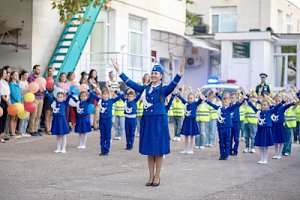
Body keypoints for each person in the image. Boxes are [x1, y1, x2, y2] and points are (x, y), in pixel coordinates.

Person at [112, 58, 185, 187]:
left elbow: (174, 84)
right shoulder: (145, 89)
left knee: (158, 150)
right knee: (150, 150)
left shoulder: (163, 89)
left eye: (156, 73)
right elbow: (131, 84)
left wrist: (180, 72)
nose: (153, 75)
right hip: (147, 120)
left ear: (161, 76)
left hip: (158, 121)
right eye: (152, 72)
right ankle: (150, 176)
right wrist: (119, 71)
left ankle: (157, 176)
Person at [199, 93, 245, 160]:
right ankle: (221, 154)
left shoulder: (229, 108)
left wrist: (241, 100)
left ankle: (226, 154)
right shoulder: (219, 109)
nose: (224, 103)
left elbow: (236, 105)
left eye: (226, 102)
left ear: (229, 102)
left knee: (227, 141)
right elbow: (212, 105)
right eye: (223, 102)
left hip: (228, 127)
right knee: (221, 141)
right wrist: (205, 100)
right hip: (221, 127)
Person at [247, 98, 283, 164]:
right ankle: (261, 159)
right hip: (260, 130)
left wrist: (282, 102)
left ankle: (265, 159)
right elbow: (253, 107)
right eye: (262, 105)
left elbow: (276, 108)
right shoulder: (259, 112)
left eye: (265, 105)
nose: (263, 106)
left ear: (268, 106)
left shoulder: (269, 111)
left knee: (265, 146)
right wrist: (248, 100)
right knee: (261, 146)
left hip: (266, 130)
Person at [89, 87, 122, 156]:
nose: (104, 96)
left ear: (108, 94)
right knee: (102, 135)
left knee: (108, 135)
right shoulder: (100, 100)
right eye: (103, 94)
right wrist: (91, 90)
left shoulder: (111, 100)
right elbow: (93, 95)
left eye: (106, 94)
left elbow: (120, 96)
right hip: (102, 120)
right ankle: (102, 150)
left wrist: (116, 91)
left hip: (108, 120)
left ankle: (106, 150)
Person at [44, 87, 72, 153]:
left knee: (63, 135)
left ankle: (63, 148)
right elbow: (49, 97)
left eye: (61, 97)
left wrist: (68, 92)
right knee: (58, 135)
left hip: (62, 120)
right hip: (56, 120)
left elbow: (69, 97)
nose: (60, 98)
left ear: (63, 97)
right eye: (58, 97)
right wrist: (46, 91)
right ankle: (58, 148)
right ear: (56, 97)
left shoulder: (64, 103)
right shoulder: (54, 102)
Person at [271, 95, 295, 159]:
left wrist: (292, 103)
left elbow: (288, 105)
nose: (277, 102)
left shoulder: (282, 107)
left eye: (279, 101)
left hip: (281, 126)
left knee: (281, 140)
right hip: (275, 126)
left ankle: (279, 154)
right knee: (275, 141)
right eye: (276, 101)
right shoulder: (273, 108)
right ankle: (276, 153)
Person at [27, 65, 44, 136]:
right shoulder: (31, 78)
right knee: (34, 114)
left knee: (38, 115)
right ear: (34, 70)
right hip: (34, 97)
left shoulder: (41, 78)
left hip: (41, 97)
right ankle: (31, 129)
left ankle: (36, 129)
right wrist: (38, 89)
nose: (39, 71)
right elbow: (31, 87)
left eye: (40, 69)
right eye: (37, 69)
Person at [9, 71, 23, 138]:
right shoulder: (11, 84)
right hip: (14, 102)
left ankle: (14, 131)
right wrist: (18, 100)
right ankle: (12, 132)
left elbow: (20, 93)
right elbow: (13, 93)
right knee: (13, 117)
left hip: (19, 103)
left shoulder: (17, 84)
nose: (16, 76)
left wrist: (21, 99)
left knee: (16, 118)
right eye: (15, 75)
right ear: (11, 76)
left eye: (17, 75)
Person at [18, 70, 31, 138]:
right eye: (25, 75)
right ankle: (20, 131)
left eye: (27, 75)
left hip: (28, 101)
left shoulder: (27, 82)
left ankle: (24, 131)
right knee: (23, 116)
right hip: (22, 100)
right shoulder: (20, 83)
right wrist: (27, 91)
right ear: (22, 75)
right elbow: (20, 92)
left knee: (27, 117)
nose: (26, 77)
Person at [44, 67, 55, 135]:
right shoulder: (45, 80)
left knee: (51, 114)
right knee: (47, 113)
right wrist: (51, 88)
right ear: (47, 72)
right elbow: (46, 89)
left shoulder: (54, 80)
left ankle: (50, 128)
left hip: (54, 98)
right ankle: (47, 129)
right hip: (48, 97)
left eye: (52, 71)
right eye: (49, 71)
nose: (51, 72)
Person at [0, 68, 10, 142]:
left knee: (4, 118)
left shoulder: (5, 82)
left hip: (6, 100)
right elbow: (2, 93)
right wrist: (6, 101)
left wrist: (8, 100)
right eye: (4, 73)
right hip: (2, 101)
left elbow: (7, 93)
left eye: (6, 73)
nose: (6, 74)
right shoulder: (0, 82)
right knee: (1, 118)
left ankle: (2, 134)